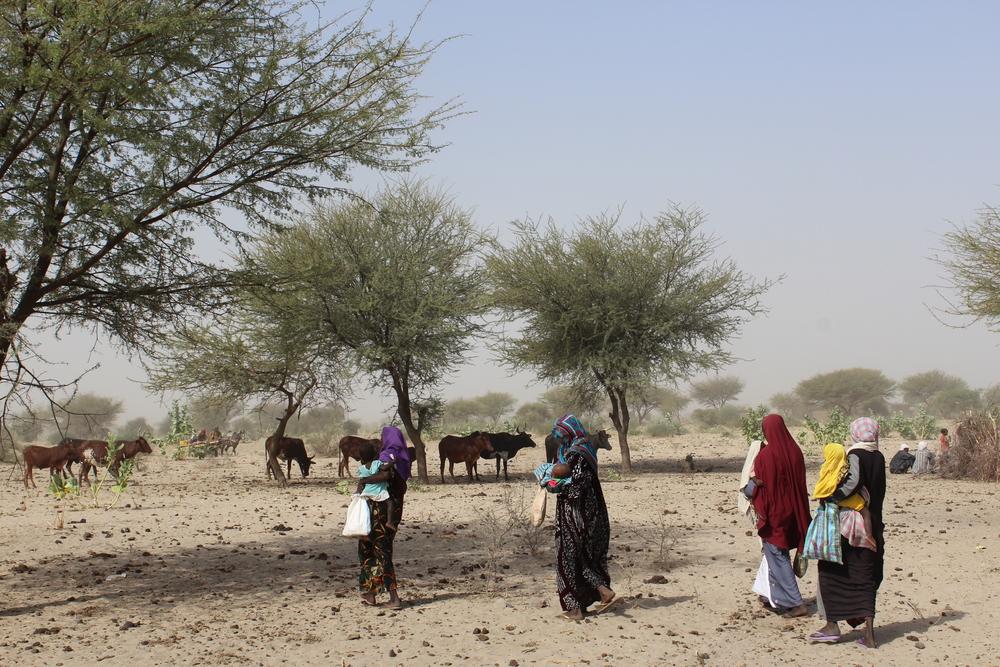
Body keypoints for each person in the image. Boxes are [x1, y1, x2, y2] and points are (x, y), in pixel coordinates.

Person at [810, 417, 887, 648]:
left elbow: (852, 483)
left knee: (830, 570)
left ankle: (832, 625)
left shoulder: (854, 455)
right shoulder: (879, 456)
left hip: (850, 525)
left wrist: (831, 496)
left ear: (855, 434)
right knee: (866, 576)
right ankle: (870, 635)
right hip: (874, 520)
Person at [742, 414, 811, 618]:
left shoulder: (765, 456)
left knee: (777, 555)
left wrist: (752, 487)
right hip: (796, 510)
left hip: (775, 514)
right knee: (775, 555)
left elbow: (760, 489)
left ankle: (795, 602)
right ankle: (770, 595)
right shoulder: (796, 452)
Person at [548, 414, 614, 620]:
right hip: (592, 513)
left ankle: (574, 609)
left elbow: (576, 487)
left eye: (561, 435)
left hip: (576, 514)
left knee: (567, 558)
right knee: (581, 556)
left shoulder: (576, 454)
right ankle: (602, 591)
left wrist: (553, 485)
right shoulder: (585, 450)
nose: (559, 439)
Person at [353, 426, 412, 609]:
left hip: (377, 514)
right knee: (372, 550)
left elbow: (384, 475)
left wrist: (364, 481)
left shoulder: (386, 456)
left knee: (377, 552)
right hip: (391, 514)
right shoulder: (402, 459)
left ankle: (394, 598)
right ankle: (370, 593)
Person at [812, 443, 876, 552]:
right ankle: (869, 536)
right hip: (847, 498)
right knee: (865, 513)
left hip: (830, 499)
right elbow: (851, 483)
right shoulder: (845, 467)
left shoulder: (825, 468)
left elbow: (822, 484)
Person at [355, 442, 395, 533]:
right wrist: (392, 462)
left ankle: (365, 526)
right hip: (379, 491)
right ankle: (389, 522)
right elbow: (384, 469)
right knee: (390, 502)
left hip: (367, 492)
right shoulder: (377, 463)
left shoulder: (361, 468)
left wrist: (358, 491)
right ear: (374, 455)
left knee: (367, 511)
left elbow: (361, 481)